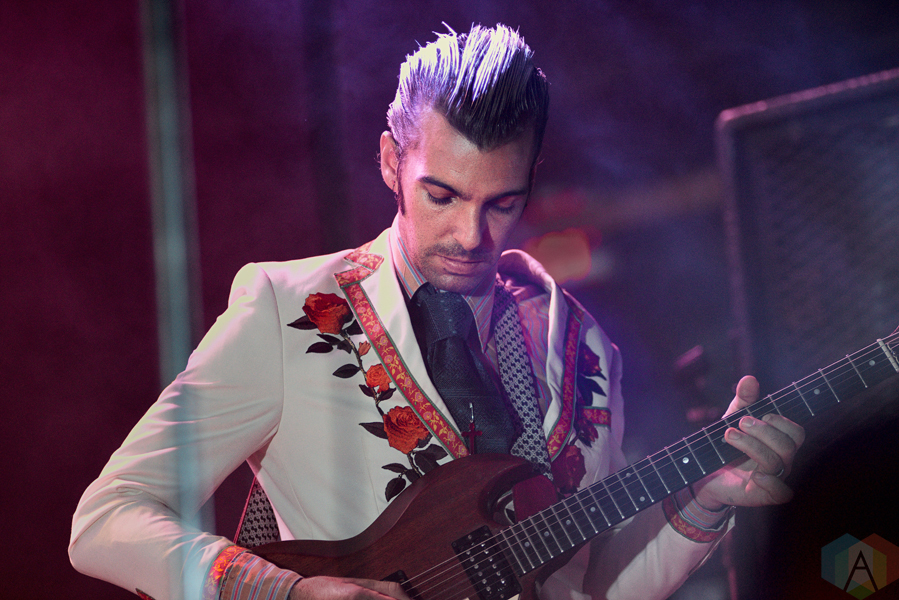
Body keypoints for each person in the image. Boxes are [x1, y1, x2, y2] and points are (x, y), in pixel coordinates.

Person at [69, 23, 805, 600]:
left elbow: (592, 585)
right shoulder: (287, 310)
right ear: (392, 160)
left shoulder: (579, 344)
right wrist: (282, 591)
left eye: (502, 203)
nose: (470, 235)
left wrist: (704, 502)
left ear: (531, 177)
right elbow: (108, 516)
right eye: (442, 195)